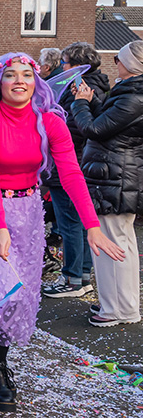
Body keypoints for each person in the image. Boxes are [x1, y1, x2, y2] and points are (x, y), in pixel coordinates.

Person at [0, 53, 122, 412]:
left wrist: (91, 225)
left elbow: (71, 174)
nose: (19, 80)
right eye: (10, 75)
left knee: (17, 295)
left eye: (27, 74)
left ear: (36, 82)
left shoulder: (50, 123)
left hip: (28, 212)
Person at [70, 40, 143, 327]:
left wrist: (79, 104)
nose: (115, 62)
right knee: (120, 242)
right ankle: (123, 306)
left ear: (133, 64)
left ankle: (117, 310)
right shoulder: (130, 92)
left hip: (115, 177)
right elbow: (111, 120)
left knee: (111, 246)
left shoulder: (134, 96)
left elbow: (95, 129)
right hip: (117, 177)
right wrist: (93, 101)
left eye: (120, 58)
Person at [42, 43, 110, 298]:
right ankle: (82, 275)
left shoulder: (77, 87)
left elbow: (72, 128)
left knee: (69, 221)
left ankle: (72, 279)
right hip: (87, 161)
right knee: (81, 222)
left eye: (66, 63)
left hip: (68, 163)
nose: (63, 67)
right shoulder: (101, 85)